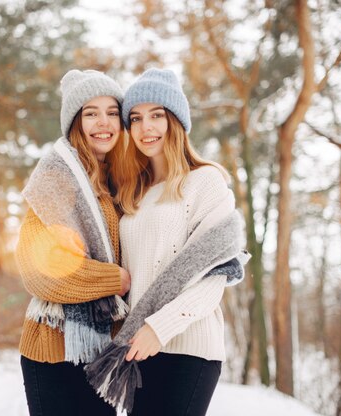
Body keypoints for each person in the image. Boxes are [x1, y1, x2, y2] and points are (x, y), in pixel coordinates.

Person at [87, 68, 247, 415]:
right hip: (138, 346)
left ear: (175, 120)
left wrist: (160, 328)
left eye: (157, 115)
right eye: (137, 118)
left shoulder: (205, 182)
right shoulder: (133, 192)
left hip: (187, 347)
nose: (147, 128)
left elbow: (214, 277)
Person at [16, 69, 131, 416]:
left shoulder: (123, 182)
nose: (103, 122)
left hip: (107, 352)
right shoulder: (57, 177)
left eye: (112, 112)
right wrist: (117, 280)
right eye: (90, 113)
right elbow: (38, 272)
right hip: (53, 350)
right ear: (75, 123)